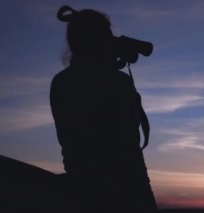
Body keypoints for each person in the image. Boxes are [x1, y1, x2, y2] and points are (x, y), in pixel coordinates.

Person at [50, 6, 157, 212]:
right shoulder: (117, 83)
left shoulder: (61, 82)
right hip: (121, 195)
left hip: (79, 191)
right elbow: (129, 152)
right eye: (108, 36)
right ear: (98, 40)